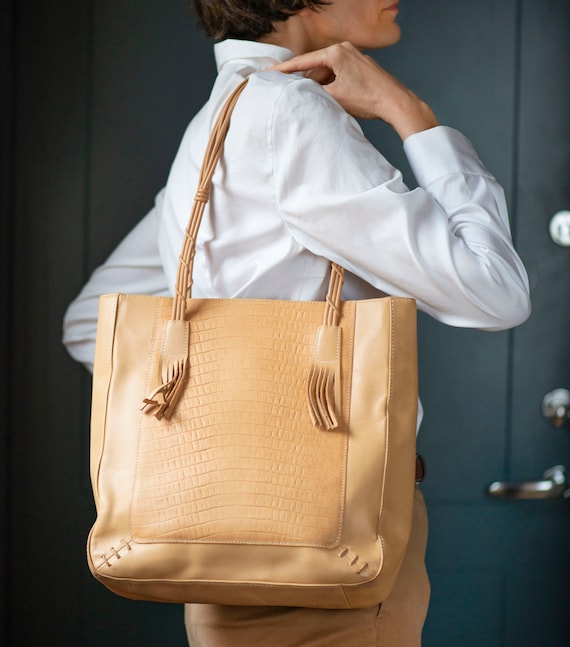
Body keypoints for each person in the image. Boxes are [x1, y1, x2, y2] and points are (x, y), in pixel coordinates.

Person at [63, 1, 531, 644]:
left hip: (208, 546)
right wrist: (413, 117)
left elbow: (91, 322)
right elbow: (496, 290)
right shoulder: (291, 113)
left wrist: (210, 418)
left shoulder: (215, 124)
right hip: (326, 550)